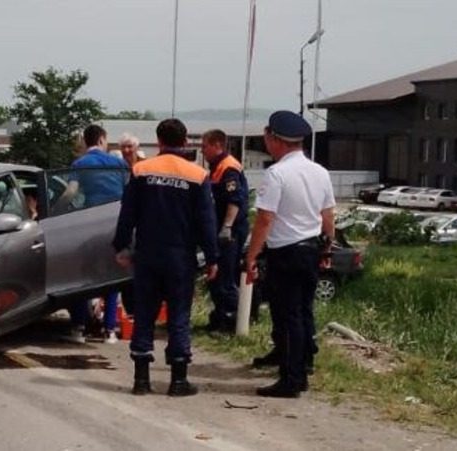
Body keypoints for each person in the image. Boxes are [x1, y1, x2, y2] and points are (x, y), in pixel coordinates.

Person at [113, 118, 219, 397]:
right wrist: (212, 258)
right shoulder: (197, 174)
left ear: (159, 141)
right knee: (179, 316)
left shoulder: (141, 170)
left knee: (145, 313)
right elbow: (207, 221)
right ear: (185, 142)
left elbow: (127, 214)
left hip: (147, 255)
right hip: (180, 257)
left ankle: (141, 381)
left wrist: (121, 247)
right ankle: (178, 380)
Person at [244, 111, 335, 398]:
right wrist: (327, 248)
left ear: (276, 140)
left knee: (287, 316)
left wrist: (252, 255)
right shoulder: (320, 171)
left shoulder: (277, 174)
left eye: (267, 138)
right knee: (303, 312)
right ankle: (303, 363)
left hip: (286, 251)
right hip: (310, 248)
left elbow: (265, 219)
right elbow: (328, 215)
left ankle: (291, 378)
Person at [65, 124, 129, 344]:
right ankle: (110, 330)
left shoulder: (80, 164)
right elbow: (130, 193)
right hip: (115, 223)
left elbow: (71, 191)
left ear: (85, 141)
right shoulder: (119, 164)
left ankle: (79, 328)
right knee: (112, 277)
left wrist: (60, 209)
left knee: (83, 277)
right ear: (102, 140)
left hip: (88, 224)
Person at [200, 129, 249, 333]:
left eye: (204, 146)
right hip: (220, 229)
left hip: (230, 231)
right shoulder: (216, 167)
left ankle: (230, 322)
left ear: (217, 145)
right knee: (216, 278)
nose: (202, 151)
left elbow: (234, 200)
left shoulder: (228, 168)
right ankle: (219, 318)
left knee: (226, 277)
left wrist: (227, 227)